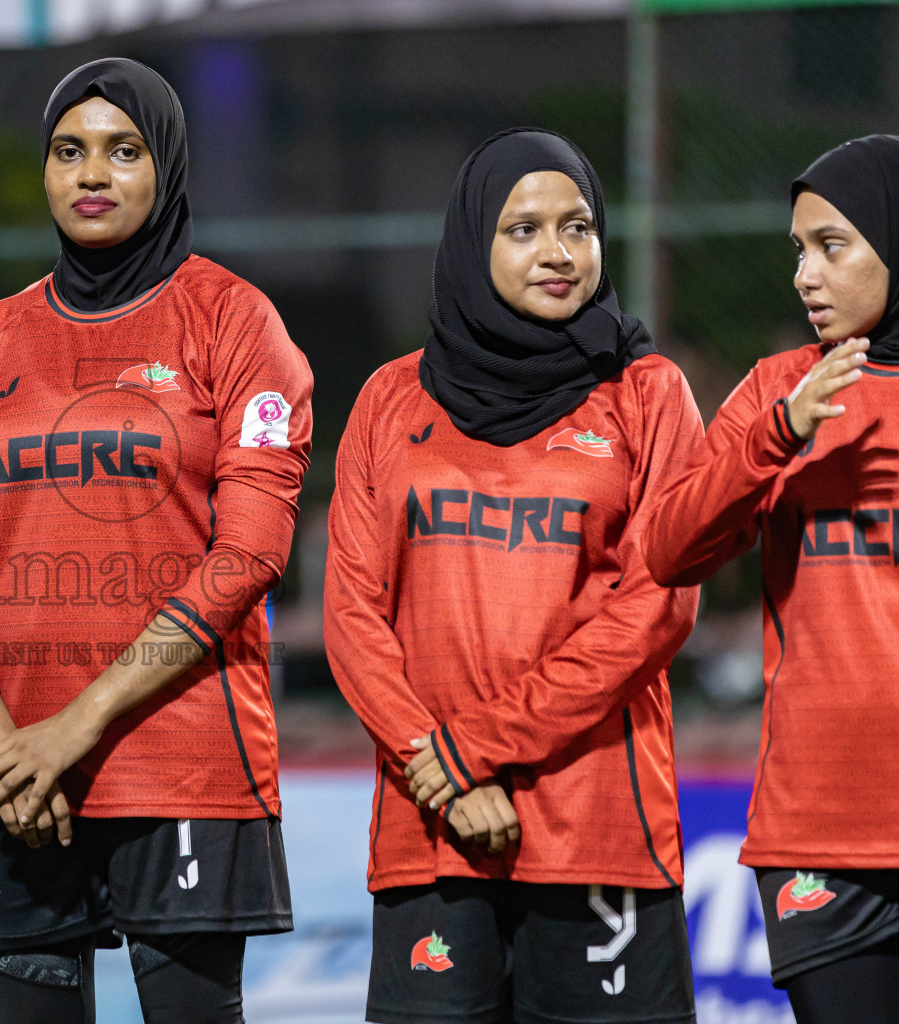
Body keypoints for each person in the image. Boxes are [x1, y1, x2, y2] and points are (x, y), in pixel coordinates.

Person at [0, 58, 312, 1024]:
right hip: (11, 779)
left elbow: (249, 555)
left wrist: (74, 727)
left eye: (122, 150)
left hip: (180, 767)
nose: (92, 173)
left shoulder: (234, 320)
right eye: (69, 151)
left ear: (165, 166)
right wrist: (2, 737)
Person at [324, 128, 703, 1024]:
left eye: (577, 226)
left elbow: (657, 607)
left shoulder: (648, 395)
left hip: (597, 828)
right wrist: (438, 762)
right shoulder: (390, 399)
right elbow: (352, 613)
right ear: (471, 241)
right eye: (523, 229)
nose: (558, 252)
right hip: (435, 829)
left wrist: (469, 750)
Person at [644, 134, 899, 1023]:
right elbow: (670, 549)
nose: (805, 276)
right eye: (799, 251)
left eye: (832, 246)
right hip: (819, 835)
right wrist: (778, 434)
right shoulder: (778, 392)